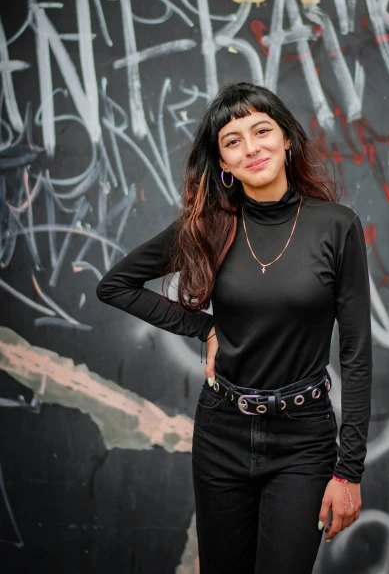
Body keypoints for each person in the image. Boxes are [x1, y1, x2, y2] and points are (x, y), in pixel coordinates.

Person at [96, 81, 372, 574]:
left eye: (262, 130)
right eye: (232, 140)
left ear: (287, 139)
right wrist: (204, 328)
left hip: (302, 440)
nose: (252, 147)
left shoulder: (337, 226)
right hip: (222, 429)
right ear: (223, 163)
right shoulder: (209, 226)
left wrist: (348, 471)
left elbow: (356, 354)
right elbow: (115, 285)